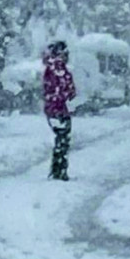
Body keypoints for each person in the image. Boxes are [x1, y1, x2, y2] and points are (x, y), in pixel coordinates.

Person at [42, 41, 76, 181]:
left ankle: (58, 169)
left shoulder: (53, 68)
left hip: (55, 108)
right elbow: (62, 89)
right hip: (58, 109)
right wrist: (66, 96)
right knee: (63, 139)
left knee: (61, 139)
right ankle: (59, 170)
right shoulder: (57, 69)